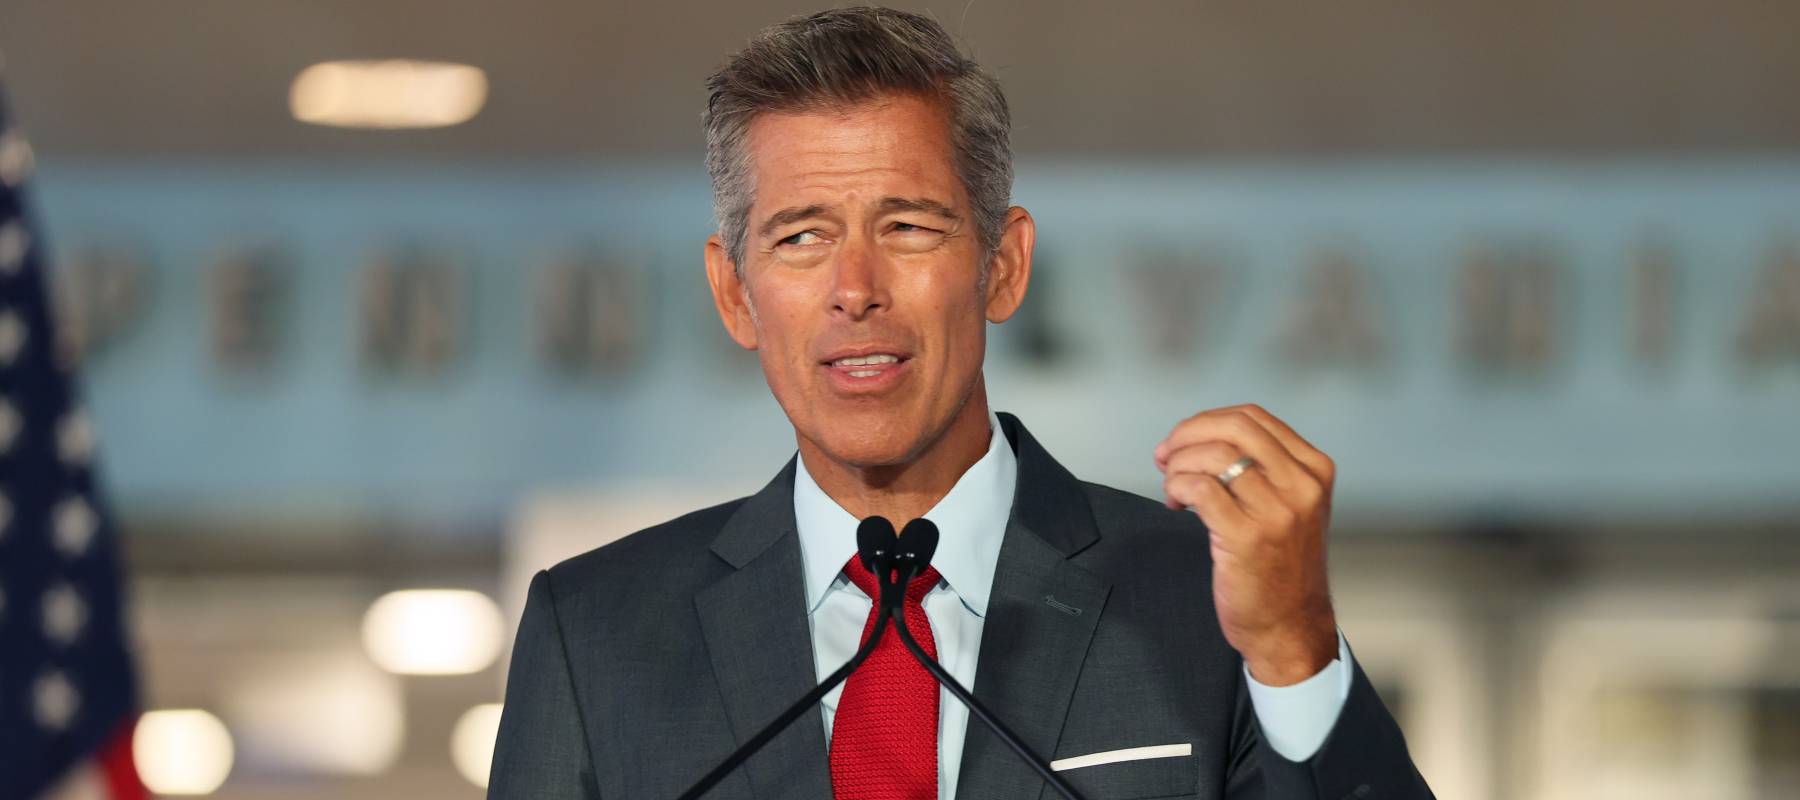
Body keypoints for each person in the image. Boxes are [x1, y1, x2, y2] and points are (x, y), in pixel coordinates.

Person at [488, 7, 1432, 799]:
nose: (856, 287)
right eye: (802, 238)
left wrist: (1295, 649)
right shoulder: (594, 633)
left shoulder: (1202, 602)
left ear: (1003, 265)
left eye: (907, 226)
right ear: (735, 293)